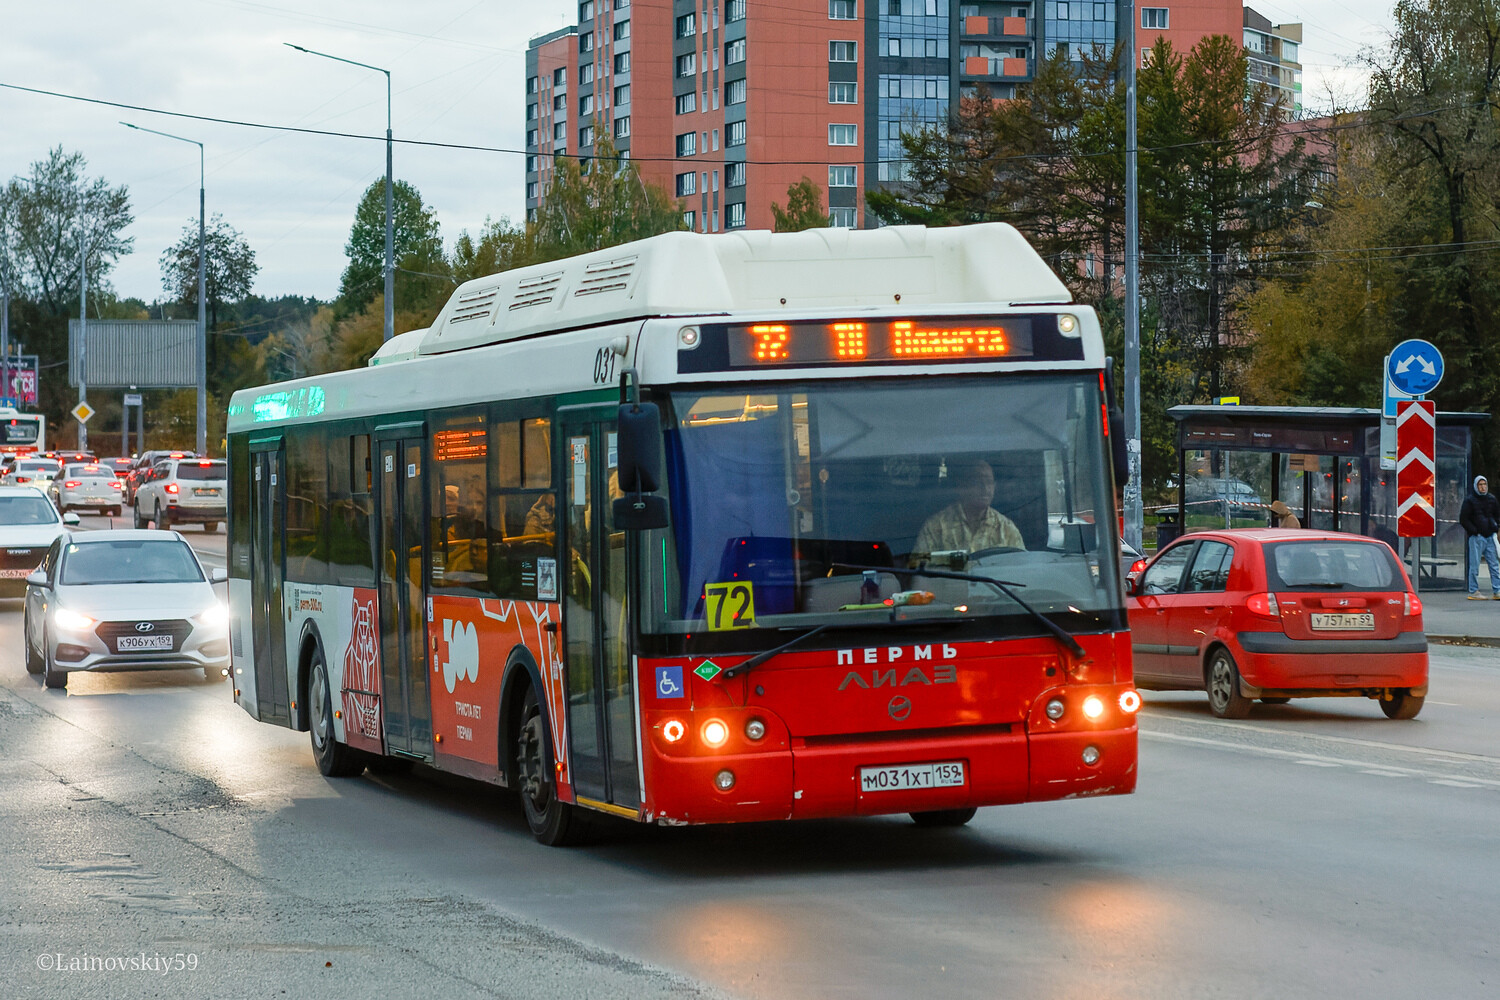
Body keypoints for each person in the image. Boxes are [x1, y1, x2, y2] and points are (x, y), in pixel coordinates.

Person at [913, 459, 1025, 559]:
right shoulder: (936, 527)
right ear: (962, 487)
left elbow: (1021, 571)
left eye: (989, 482)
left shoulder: (1006, 529)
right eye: (978, 482)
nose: (985, 489)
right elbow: (919, 572)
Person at [1459, 474, 1500, 599]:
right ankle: (1473, 591)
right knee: (1474, 565)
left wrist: (1497, 528)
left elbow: (1497, 515)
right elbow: (1463, 519)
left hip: (1490, 536)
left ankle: (1497, 591)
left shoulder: (1492, 499)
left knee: (1494, 565)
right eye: (1480, 485)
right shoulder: (1469, 501)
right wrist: (1474, 531)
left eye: (1484, 484)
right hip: (1476, 537)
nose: (1483, 487)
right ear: (1476, 486)